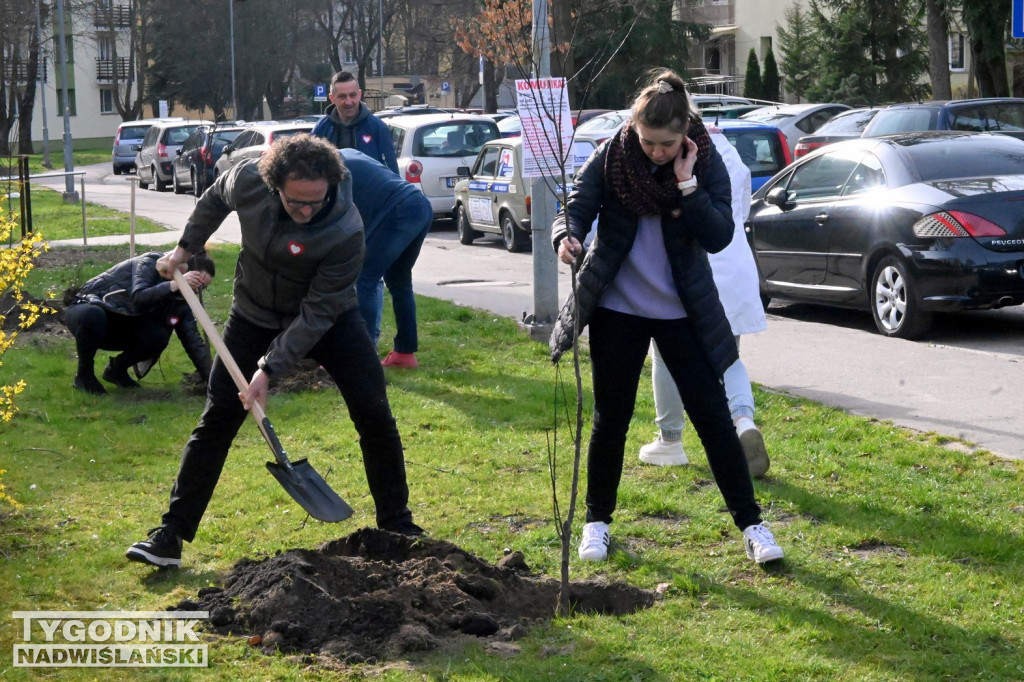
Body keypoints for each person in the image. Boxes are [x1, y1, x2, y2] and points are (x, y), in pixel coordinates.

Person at [125, 134, 421, 569]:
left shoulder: (345, 229)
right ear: (274, 185)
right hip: (254, 313)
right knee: (218, 418)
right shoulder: (247, 179)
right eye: (296, 202)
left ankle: (397, 526)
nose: (306, 212)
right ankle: (170, 535)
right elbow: (213, 198)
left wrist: (268, 370)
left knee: (374, 411)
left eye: (315, 202)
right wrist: (186, 248)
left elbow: (316, 315)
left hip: (330, 320)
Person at [549, 69, 784, 565]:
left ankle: (753, 527)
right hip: (618, 310)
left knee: (715, 420)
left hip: (684, 313)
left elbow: (720, 233)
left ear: (684, 132)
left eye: (667, 142)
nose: (657, 151)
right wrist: (566, 236)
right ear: (634, 127)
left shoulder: (703, 156)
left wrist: (688, 187)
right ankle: (597, 523)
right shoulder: (613, 154)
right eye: (649, 141)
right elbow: (575, 205)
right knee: (609, 420)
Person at [638, 127, 770, 478]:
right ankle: (742, 423)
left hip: (696, 266)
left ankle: (670, 440)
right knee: (726, 354)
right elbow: (736, 212)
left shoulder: (673, 154)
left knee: (665, 354)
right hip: (736, 263)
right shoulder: (731, 154)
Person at [63, 252, 214, 395]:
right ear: (184, 270)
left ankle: (116, 370)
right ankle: (84, 376)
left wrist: (216, 381)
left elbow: (193, 342)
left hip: (120, 326)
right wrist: (175, 284)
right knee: (94, 315)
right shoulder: (151, 262)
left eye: (203, 288)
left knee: (158, 336)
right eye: (197, 283)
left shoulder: (181, 303)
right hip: (87, 309)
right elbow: (140, 296)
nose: (196, 290)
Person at [340, 148, 433, 368]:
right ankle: (404, 353)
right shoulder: (349, 154)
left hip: (399, 210)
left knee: (365, 278)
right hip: (418, 204)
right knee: (399, 281)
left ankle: (362, 355)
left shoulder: (328, 169)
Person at [311, 70, 400, 174]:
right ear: (332, 98)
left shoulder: (377, 127)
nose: (348, 102)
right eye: (342, 96)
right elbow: (311, 168)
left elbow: (392, 171)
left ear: (359, 94)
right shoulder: (321, 128)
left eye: (353, 95)